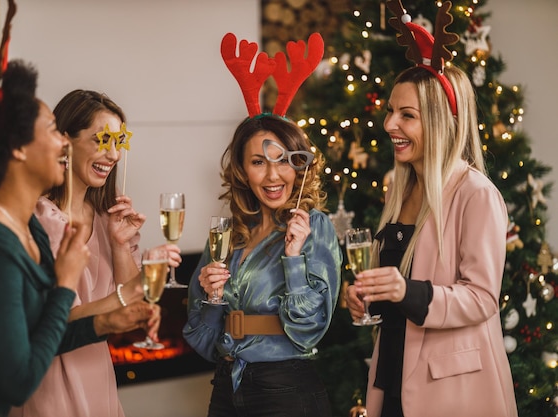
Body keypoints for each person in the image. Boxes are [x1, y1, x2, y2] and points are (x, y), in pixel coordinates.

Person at [0, 59, 156, 416]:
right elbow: (21, 367)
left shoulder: (12, 226)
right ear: (18, 147)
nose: (62, 142)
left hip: (91, 373)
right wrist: (72, 287)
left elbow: (41, 328)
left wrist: (119, 302)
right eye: (53, 130)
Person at [343, 2, 518, 416]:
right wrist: (369, 298)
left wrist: (405, 291)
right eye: (390, 112)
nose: (389, 125)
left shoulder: (477, 194)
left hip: (453, 392)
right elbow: (400, 291)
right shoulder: (400, 189)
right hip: (392, 382)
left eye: (407, 116)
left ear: (439, 123)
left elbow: (481, 299)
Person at [9, 89, 181, 417]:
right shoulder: (35, 218)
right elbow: (49, 320)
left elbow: (132, 305)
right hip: (48, 378)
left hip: (98, 373)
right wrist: (124, 297)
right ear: (65, 141)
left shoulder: (107, 215)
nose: (113, 154)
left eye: (119, 142)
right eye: (103, 139)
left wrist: (118, 244)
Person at [183, 113, 342, 416]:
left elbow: (311, 327)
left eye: (283, 161)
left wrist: (293, 258)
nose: (272, 176)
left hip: (285, 390)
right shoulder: (228, 235)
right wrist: (213, 298)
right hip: (227, 388)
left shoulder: (314, 227)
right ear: (242, 171)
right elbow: (202, 339)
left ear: (299, 166)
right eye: (258, 162)